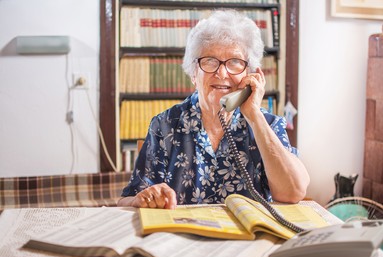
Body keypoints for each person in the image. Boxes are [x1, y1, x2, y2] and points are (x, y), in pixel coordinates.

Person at [118, 9, 310, 209]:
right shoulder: (165, 125)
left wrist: (254, 117)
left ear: (250, 74)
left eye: (235, 62)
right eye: (210, 61)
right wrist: (144, 199)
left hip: (249, 239)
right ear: (194, 73)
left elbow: (293, 192)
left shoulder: (268, 124)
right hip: (184, 236)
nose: (222, 73)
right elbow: (128, 198)